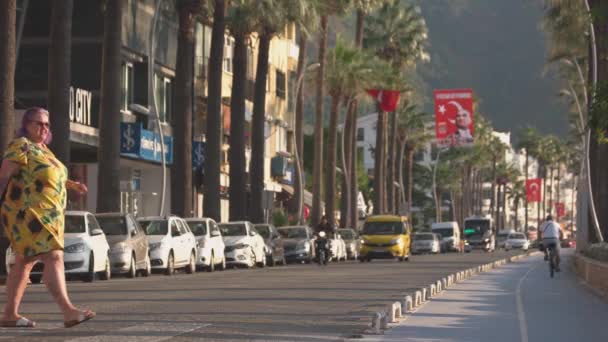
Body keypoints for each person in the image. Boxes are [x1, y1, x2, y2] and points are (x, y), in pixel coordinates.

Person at [0, 107, 95, 328]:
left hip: (50, 214)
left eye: (46, 124)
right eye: (38, 123)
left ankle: (9, 314)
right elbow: (4, 175)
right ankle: (68, 311)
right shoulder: (21, 145)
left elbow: (47, 176)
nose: (43, 128)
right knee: (53, 256)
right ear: (26, 124)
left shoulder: (45, 151)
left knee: (25, 261)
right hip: (29, 214)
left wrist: (73, 185)